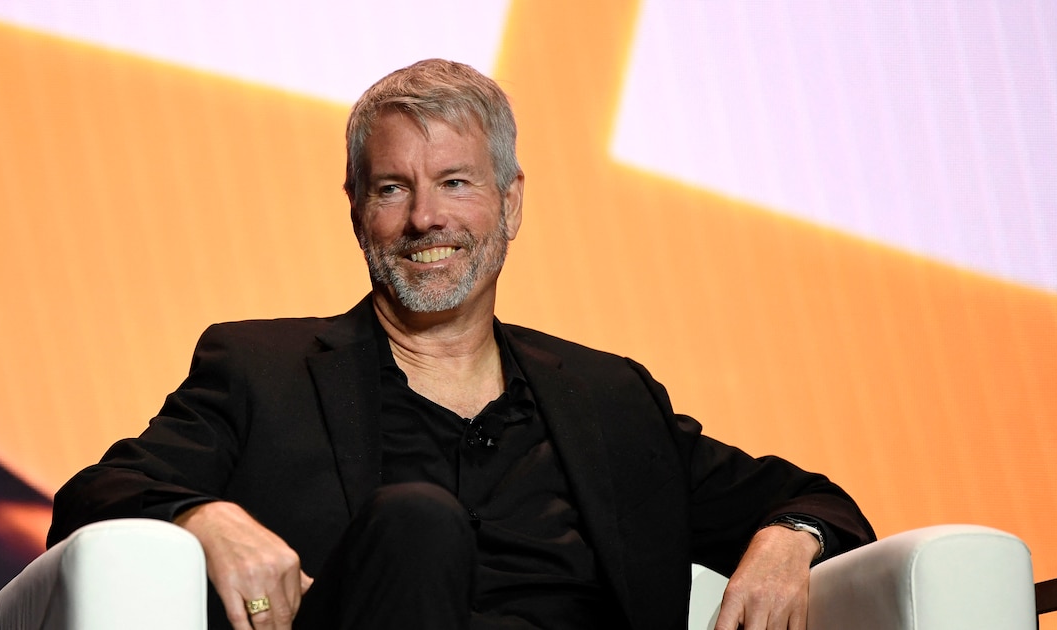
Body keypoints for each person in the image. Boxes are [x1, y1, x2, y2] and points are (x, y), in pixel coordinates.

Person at [47, 59, 875, 630]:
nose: (425, 220)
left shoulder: (610, 400)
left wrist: (788, 535)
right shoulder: (262, 373)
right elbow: (95, 493)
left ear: (510, 205)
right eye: (392, 188)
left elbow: (817, 498)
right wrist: (204, 514)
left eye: (455, 183)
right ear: (356, 209)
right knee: (416, 524)